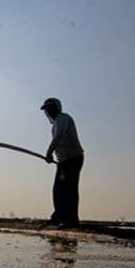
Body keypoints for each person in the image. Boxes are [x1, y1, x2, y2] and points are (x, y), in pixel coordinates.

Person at [41, 97, 84, 228]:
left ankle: (69, 220)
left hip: (72, 158)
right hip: (64, 161)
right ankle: (61, 217)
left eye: (50, 109)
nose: (48, 112)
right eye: (47, 110)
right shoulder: (55, 124)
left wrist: (49, 153)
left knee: (67, 189)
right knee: (60, 190)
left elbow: (59, 136)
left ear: (56, 109)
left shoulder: (63, 118)